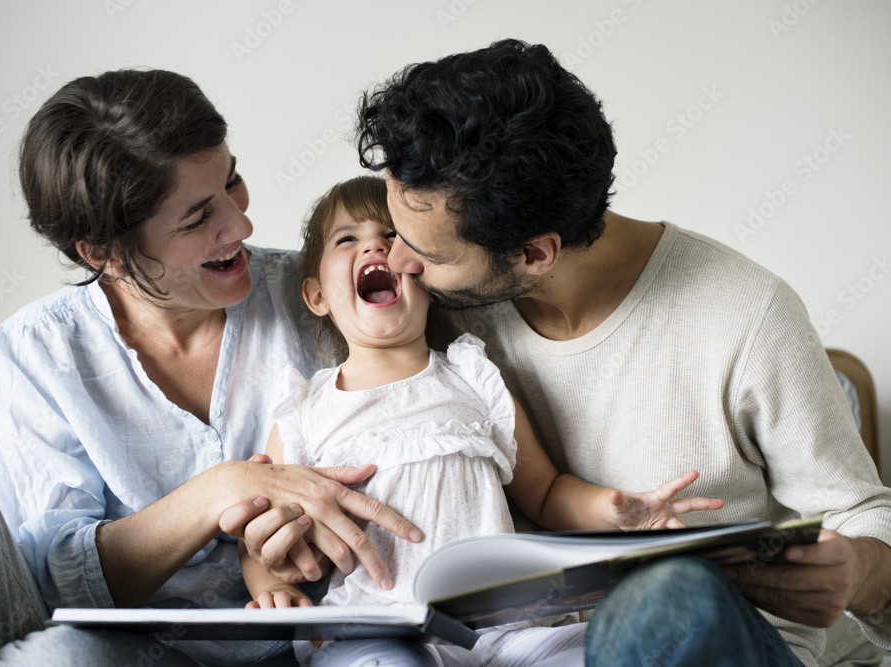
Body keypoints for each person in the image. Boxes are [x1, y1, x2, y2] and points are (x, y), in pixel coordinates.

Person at [338, 38, 891, 666]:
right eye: (393, 233)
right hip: (527, 650)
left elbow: (864, 513)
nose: (399, 264)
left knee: (663, 594)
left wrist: (855, 567)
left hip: (726, 645)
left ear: (535, 254)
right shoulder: (427, 317)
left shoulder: (748, 314)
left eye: (429, 255)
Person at [0, 69, 424, 666]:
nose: (242, 227)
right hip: (116, 647)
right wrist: (222, 488)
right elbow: (50, 585)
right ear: (104, 253)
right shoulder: (36, 349)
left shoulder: (323, 295)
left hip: (312, 635)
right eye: (197, 219)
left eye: (234, 181)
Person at [239, 175, 725, 666]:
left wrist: (616, 510)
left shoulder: (473, 377)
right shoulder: (303, 411)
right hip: (377, 624)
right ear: (317, 295)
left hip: (505, 623)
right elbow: (261, 534)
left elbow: (547, 492)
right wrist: (273, 588)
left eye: (393, 237)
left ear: (421, 272)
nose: (376, 248)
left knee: (596, 654)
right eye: (349, 239)